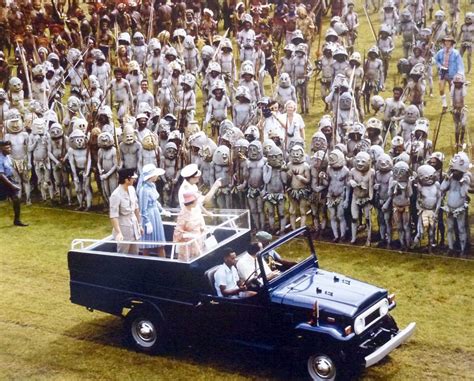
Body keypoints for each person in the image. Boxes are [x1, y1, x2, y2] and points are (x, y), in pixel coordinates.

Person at [138, 164, 170, 257]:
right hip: (149, 217)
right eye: (155, 174)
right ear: (150, 176)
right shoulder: (143, 190)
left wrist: (162, 210)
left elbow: (155, 201)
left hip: (156, 215)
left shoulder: (153, 185)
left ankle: (164, 264)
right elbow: (143, 209)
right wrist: (147, 222)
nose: (157, 176)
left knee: (160, 244)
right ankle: (145, 264)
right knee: (147, 246)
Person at [109, 168, 142, 255]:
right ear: (126, 180)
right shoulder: (115, 195)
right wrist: (119, 232)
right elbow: (113, 216)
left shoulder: (132, 190)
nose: (134, 180)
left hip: (134, 226)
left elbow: (136, 208)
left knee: (135, 253)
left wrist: (139, 225)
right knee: (123, 254)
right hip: (124, 228)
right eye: (132, 178)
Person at [434, 34, 465, 112]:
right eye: (446, 41)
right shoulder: (440, 52)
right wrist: (440, 66)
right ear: (444, 42)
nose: (447, 43)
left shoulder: (456, 53)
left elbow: (460, 64)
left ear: (451, 43)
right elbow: (435, 60)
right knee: (441, 88)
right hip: (443, 73)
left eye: (449, 42)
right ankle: (444, 105)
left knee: (452, 90)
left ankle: (452, 105)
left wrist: (459, 74)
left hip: (452, 74)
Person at [0, 140, 28, 226]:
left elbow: (10, 169)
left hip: (9, 179)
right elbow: (1, 175)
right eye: (7, 148)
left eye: (9, 147)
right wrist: (12, 185)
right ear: (1, 149)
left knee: (16, 199)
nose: (9, 149)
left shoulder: (7, 157)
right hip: (2, 182)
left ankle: (17, 220)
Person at [172, 191, 206, 261]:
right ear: (192, 202)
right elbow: (177, 233)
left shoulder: (193, 211)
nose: (197, 202)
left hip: (197, 243)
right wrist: (188, 235)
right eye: (196, 200)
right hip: (188, 246)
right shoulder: (183, 214)